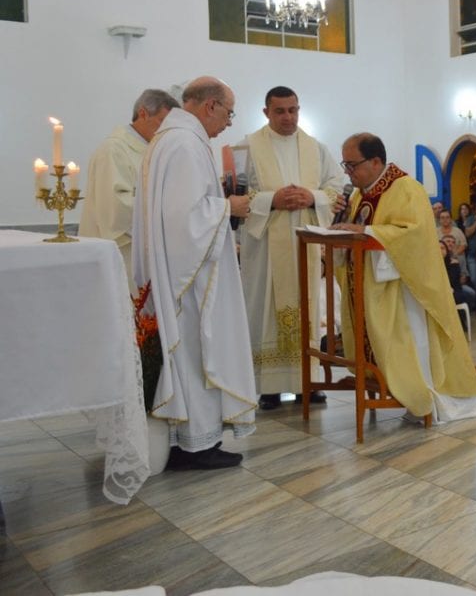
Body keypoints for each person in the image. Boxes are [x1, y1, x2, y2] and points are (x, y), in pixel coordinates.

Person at [132, 76, 256, 470]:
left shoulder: (166, 140)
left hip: (175, 270)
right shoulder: (185, 144)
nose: (228, 123)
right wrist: (230, 207)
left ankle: (184, 440)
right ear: (209, 106)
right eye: (229, 113)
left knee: (187, 355)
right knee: (197, 351)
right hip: (190, 277)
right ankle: (197, 445)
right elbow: (184, 219)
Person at [330, 132, 476, 422]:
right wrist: (342, 220)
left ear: (376, 161)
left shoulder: (406, 188)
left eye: (352, 165)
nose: (348, 172)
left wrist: (367, 231)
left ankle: (424, 400)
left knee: (411, 345)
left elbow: (415, 235)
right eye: (345, 165)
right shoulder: (360, 194)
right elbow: (352, 233)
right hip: (370, 289)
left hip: (404, 292)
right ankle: (394, 392)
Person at [237, 86, 344, 410]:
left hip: (303, 246)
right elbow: (236, 191)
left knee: (306, 309)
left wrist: (312, 197)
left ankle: (306, 384)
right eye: (280, 111)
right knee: (264, 310)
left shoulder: (316, 148)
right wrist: (273, 200)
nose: (288, 117)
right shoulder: (247, 147)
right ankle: (268, 388)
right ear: (266, 112)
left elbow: (336, 187)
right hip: (265, 251)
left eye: (293, 110)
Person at [79, 88, 179, 273]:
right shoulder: (114, 150)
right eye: (162, 122)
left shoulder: (151, 150)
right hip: (118, 256)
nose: (167, 131)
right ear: (143, 114)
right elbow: (117, 209)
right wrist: (169, 209)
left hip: (146, 253)